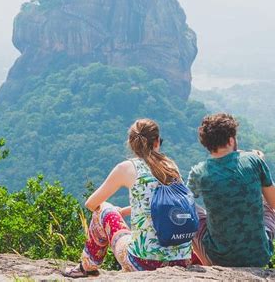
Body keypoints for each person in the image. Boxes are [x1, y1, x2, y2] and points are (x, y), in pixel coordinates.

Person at [64, 118, 192, 278]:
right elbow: (164, 205)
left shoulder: (126, 168)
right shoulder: (170, 166)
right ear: (157, 142)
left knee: (102, 209)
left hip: (143, 263)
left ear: (131, 143)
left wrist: (115, 211)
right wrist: (125, 211)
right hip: (181, 261)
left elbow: (91, 204)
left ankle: (86, 267)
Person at [187, 113, 275, 267]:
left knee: (189, 208)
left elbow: (185, 203)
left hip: (218, 259)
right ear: (231, 140)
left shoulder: (199, 172)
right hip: (258, 257)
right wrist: (260, 163)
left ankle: (208, 264)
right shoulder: (253, 160)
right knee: (269, 206)